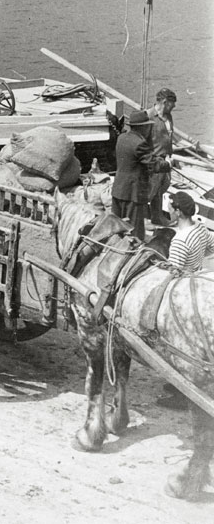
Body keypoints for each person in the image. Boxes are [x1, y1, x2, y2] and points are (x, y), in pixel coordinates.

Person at [154, 191, 214, 410]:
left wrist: (161, 265)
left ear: (178, 212)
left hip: (182, 291)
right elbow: (212, 247)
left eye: (171, 207)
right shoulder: (200, 228)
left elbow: (173, 273)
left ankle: (181, 393)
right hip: (196, 281)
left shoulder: (179, 240)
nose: (168, 210)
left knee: (174, 342)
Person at [111, 109, 171, 241]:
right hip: (133, 194)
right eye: (148, 126)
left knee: (117, 229)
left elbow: (135, 158)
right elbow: (154, 165)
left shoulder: (122, 138)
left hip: (118, 190)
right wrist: (167, 164)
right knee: (135, 233)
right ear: (143, 127)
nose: (150, 128)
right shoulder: (139, 143)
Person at [147, 88, 177, 226]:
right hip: (155, 161)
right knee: (150, 192)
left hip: (167, 160)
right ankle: (141, 220)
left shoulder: (168, 116)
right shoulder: (148, 117)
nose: (174, 106)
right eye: (172, 103)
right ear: (165, 102)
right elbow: (140, 141)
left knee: (160, 191)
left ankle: (157, 217)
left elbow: (170, 136)